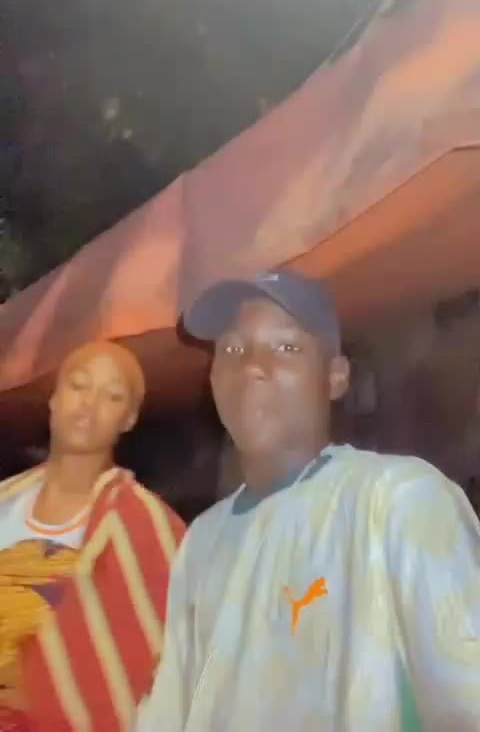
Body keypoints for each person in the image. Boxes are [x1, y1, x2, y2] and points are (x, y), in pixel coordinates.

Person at [137, 270, 480, 732]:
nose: (252, 366)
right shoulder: (202, 539)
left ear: (336, 377)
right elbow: (171, 708)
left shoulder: (396, 501)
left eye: (286, 347)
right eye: (232, 350)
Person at [0, 341, 185, 732]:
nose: (89, 404)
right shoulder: (5, 503)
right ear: (54, 398)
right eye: (78, 385)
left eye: (112, 396)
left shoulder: (150, 528)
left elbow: (182, 659)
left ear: (129, 418)